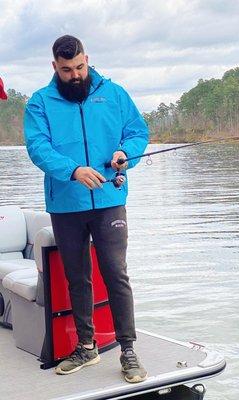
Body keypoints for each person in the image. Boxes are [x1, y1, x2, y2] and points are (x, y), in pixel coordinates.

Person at [24, 35, 148, 382]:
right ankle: (86, 346)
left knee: (116, 274)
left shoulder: (115, 94)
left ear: (87, 59)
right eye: (67, 70)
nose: (75, 74)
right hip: (66, 205)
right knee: (77, 278)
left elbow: (138, 132)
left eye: (80, 66)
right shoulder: (39, 103)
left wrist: (126, 154)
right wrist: (72, 171)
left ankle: (128, 350)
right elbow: (37, 147)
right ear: (55, 67)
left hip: (109, 202)